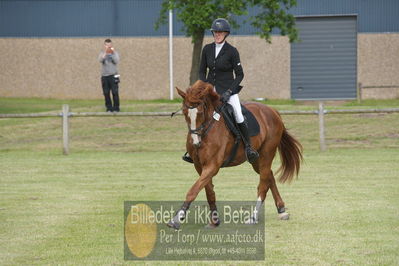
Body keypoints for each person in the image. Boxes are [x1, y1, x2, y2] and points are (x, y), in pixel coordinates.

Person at [182, 18, 259, 164]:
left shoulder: (232, 51)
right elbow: (201, 71)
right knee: (196, 113)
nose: (217, 34)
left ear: (226, 34)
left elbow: (240, 74)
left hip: (228, 91)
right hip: (209, 92)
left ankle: (249, 148)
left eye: (220, 32)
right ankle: (192, 149)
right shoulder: (207, 49)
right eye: (215, 32)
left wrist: (230, 91)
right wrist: (204, 87)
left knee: (237, 113)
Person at [98, 38, 120, 112]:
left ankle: (116, 108)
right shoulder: (102, 53)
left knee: (115, 92)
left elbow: (116, 61)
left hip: (114, 75)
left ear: (111, 45)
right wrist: (105, 54)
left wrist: (112, 54)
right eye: (107, 45)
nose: (108, 46)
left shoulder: (115, 53)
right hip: (105, 76)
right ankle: (109, 108)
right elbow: (100, 60)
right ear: (104, 45)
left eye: (109, 45)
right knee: (106, 93)